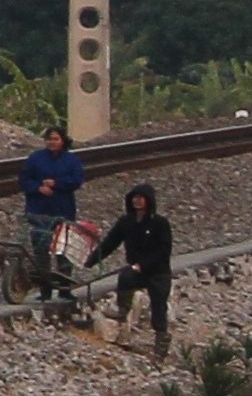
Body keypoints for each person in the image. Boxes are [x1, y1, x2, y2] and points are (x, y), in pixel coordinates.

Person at [96, 182, 176, 357]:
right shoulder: (126, 222)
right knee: (125, 278)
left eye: (140, 198)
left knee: (158, 304)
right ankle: (122, 310)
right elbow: (111, 242)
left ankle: (161, 343)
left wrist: (144, 265)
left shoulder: (160, 223)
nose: (137, 201)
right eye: (134, 198)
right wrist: (93, 259)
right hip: (136, 269)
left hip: (157, 271)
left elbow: (164, 250)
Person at [16, 124, 86, 297]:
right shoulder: (35, 158)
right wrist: (38, 188)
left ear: (63, 141)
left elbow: (77, 180)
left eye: (55, 139)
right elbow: (24, 179)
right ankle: (45, 289)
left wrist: (57, 184)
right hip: (38, 210)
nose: (52, 142)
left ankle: (65, 289)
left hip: (63, 210)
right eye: (49, 139)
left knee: (63, 250)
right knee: (41, 249)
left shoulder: (71, 160)